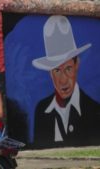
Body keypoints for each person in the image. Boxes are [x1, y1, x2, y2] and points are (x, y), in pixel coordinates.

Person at [32, 15, 100, 146]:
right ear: (50, 73)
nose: (63, 81)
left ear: (76, 65)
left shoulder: (93, 110)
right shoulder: (41, 110)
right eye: (57, 70)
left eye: (68, 69)